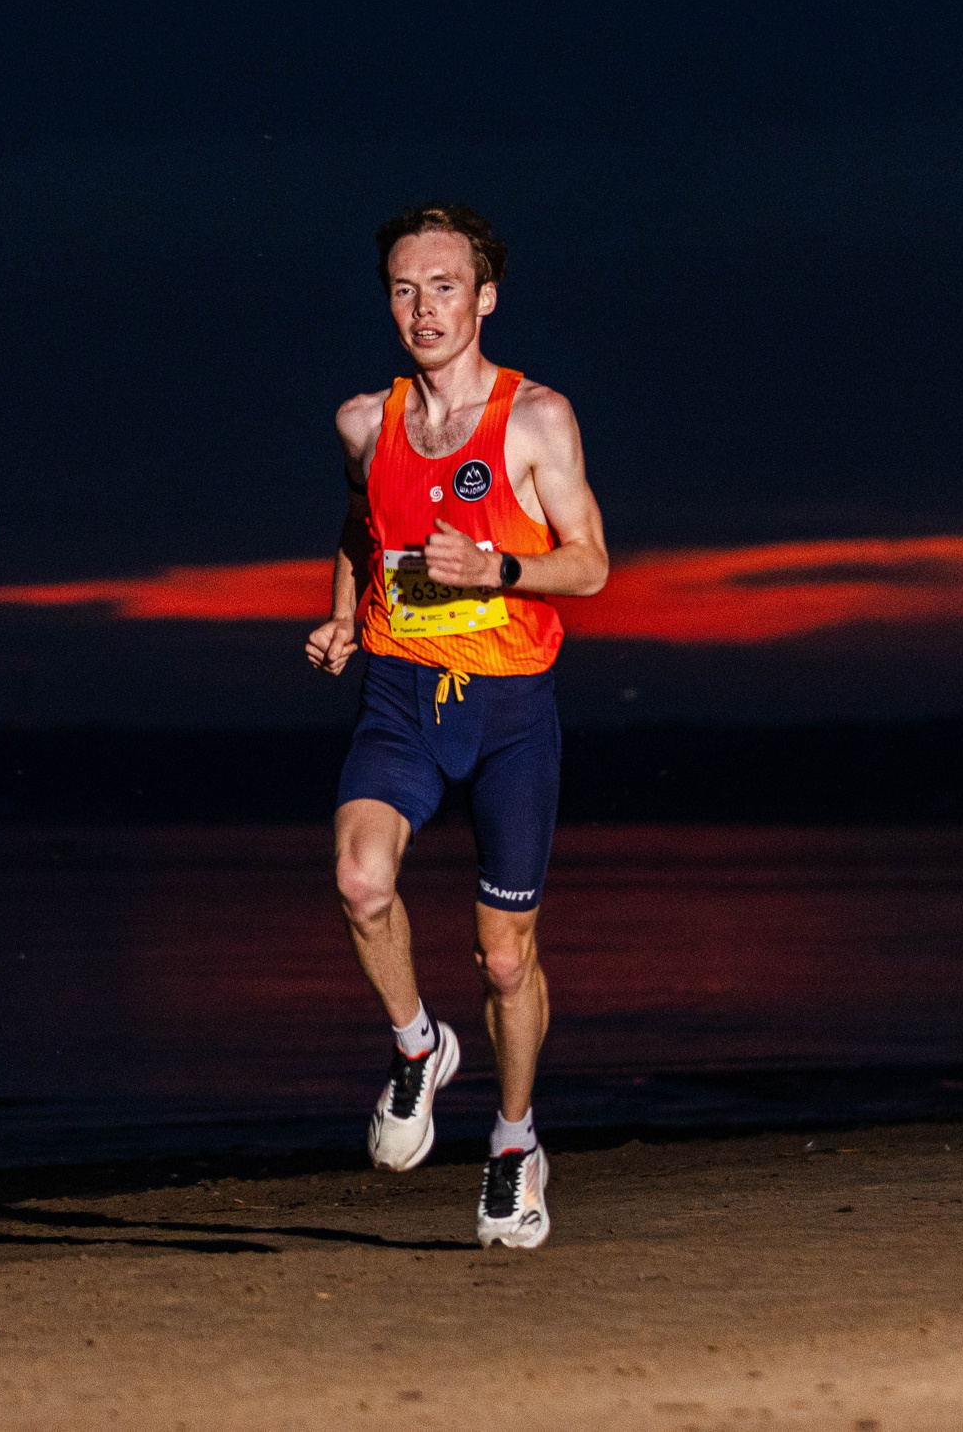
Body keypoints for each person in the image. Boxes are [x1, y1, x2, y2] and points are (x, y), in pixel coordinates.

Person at [304, 202, 609, 1249]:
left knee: (505, 960)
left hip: (512, 712)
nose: (423, 308)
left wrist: (498, 568)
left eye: (444, 287)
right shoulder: (364, 422)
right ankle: (415, 1046)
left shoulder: (537, 418)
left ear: (485, 298)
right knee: (360, 879)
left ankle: (514, 1145)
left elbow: (591, 564)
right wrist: (344, 618)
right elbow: (359, 528)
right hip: (401, 695)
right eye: (404, 289)